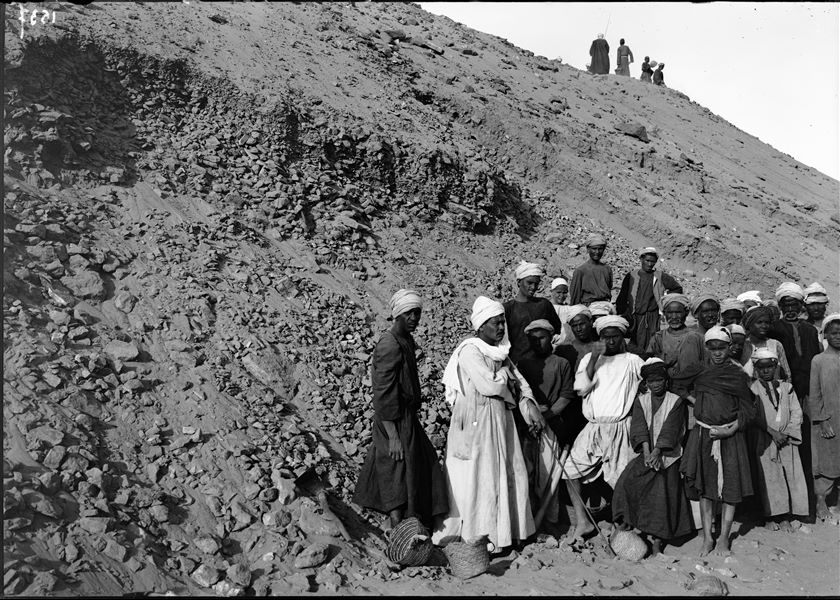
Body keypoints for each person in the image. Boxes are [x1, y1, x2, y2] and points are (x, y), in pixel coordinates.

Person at [434, 296, 546, 551]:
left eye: (502, 323)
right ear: (481, 325)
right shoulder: (470, 351)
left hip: (499, 421)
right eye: (495, 323)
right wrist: (506, 379)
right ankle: (477, 536)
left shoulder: (501, 354)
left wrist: (529, 405)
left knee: (506, 473)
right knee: (479, 478)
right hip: (476, 423)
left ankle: (506, 534)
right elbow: (489, 384)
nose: (500, 328)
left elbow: (519, 383)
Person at [353, 290, 448, 529]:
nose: (415, 317)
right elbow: (382, 392)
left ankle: (411, 523)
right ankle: (398, 528)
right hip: (392, 419)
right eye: (410, 313)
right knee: (395, 467)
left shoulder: (405, 339)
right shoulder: (389, 344)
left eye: (418, 313)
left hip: (405, 415)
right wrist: (393, 434)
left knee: (413, 465)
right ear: (398, 314)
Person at [561, 316, 644, 542]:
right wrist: (595, 357)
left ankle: (624, 524)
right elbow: (580, 388)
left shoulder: (633, 361)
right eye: (605, 337)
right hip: (594, 427)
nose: (610, 341)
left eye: (614, 336)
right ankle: (583, 521)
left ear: (622, 337)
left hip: (621, 427)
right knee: (569, 471)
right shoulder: (590, 358)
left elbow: (646, 386)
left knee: (623, 479)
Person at [681, 326, 755, 556]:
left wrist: (730, 429)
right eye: (712, 348)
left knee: (730, 487)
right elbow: (680, 386)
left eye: (721, 348)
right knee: (705, 488)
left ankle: (724, 538)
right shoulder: (699, 371)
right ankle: (707, 538)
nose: (717, 353)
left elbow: (748, 409)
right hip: (703, 435)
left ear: (729, 347)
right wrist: (698, 403)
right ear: (707, 348)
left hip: (730, 437)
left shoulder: (738, 373)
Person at [612, 358, 693, 555]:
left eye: (659, 380)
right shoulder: (641, 401)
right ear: (646, 383)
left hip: (669, 454)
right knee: (627, 481)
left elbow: (671, 430)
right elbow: (639, 427)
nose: (655, 384)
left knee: (661, 490)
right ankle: (626, 525)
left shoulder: (676, 401)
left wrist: (658, 452)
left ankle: (658, 539)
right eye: (651, 381)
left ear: (666, 381)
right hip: (648, 453)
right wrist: (648, 452)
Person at [517, 320, 582, 528]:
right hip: (528, 427)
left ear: (550, 337)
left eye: (541, 338)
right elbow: (521, 396)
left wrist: (547, 416)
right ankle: (526, 521)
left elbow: (565, 397)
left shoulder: (561, 363)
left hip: (552, 426)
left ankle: (549, 520)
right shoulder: (523, 364)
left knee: (547, 475)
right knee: (526, 473)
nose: (537, 343)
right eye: (532, 339)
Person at [750, 347, 809, 529]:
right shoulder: (753, 389)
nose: (766, 371)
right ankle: (772, 516)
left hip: (787, 439)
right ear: (756, 368)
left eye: (770, 367)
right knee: (770, 477)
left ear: (776, 366)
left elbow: (796, 412)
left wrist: (788, 432)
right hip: (765, 440)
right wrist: (772, 433)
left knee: (792, 475)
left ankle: (789, 514)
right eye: (762, 367)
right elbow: (753, 416)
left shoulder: (786, 387)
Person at [615, 247, 683, 352]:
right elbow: (622, 296)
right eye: (647, 260)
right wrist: (623, 313)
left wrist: (665, 297)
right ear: (641, 259)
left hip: (652, 316)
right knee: (634, 343)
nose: (650, 264)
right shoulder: (631, 276)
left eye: (652, 261)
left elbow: (677, 288)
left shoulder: (660, 276)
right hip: (634, 316)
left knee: (652, 342)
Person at [809, 314, 840, 521]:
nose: (838, 336)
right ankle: (821, 503)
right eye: (834, 332)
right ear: (826, 335)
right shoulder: (819, 360)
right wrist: (821, 420)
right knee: (825, 461)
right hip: (828, 420)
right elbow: (815, 393)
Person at [645, 293, 706, 399]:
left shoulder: (697, 338)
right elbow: (651, 365)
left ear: (686, 313)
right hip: (666, 392)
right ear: (664, 313)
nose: (674, 317)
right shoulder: (658, 337)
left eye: (678, 312)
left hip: (693, 392)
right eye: (670, 312)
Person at [504, 261, 565, 365]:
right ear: (519, 282)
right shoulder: (508, 308)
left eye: (536, 284)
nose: (533, 287)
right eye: (529, 283)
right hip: (518, 363)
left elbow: (556, 329)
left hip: (543, 364)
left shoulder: (544, 304)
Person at [742, 305, 790, 380]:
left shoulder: (776, 344)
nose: (764, 326)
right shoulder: (743, 346)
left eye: (767, 322)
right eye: (759, 322)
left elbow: (786, 374)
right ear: (749, 324)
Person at [568, 233, 613, 306]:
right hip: (588, 307)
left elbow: (609, 287)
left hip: (606, 306)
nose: (597, 252)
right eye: (594, 249)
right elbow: (575, 296)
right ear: (588, 249)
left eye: (600, 249)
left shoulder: (607, 269)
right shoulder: (580, 271)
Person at [555, 305, 600, 370]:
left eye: (582, 324)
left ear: (590, 322)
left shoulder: (601, 346)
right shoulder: (564, 350)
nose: (578, 329)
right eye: (574, 326)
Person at [803, 282, 830, 349]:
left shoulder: (833, 326)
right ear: (805, 306)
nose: (816, 308)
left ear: (825, 304)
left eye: (819, 303)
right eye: (812, 304)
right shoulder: (801, 328)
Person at [550, 277, 574, 345]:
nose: (562, 295)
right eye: (558, 292)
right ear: (551, 292)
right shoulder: (548, 307)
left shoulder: (569, 308)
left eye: (565, 292)